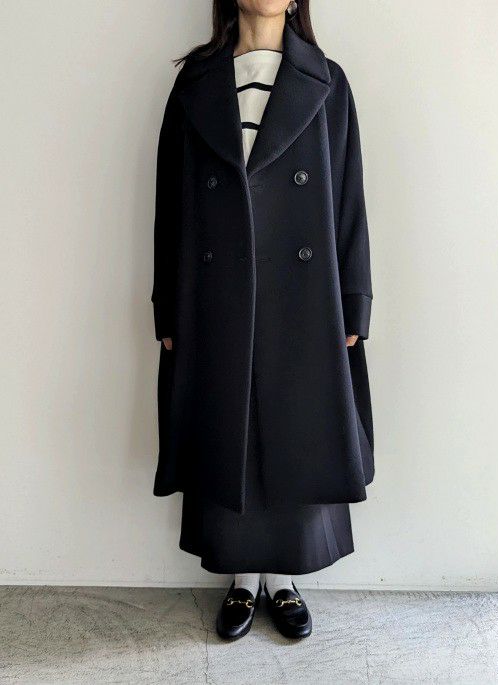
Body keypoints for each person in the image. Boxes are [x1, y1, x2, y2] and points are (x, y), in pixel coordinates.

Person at [151, 0, 374, 640]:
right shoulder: (195, 83)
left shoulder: (326, 81)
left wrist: (354, 303)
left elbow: (349, 199)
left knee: (297, 426)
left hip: (304, 295)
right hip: (216, 290)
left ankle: (284, 579)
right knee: (230, 427)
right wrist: (169, 306)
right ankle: (241, 577)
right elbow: (170, 204)